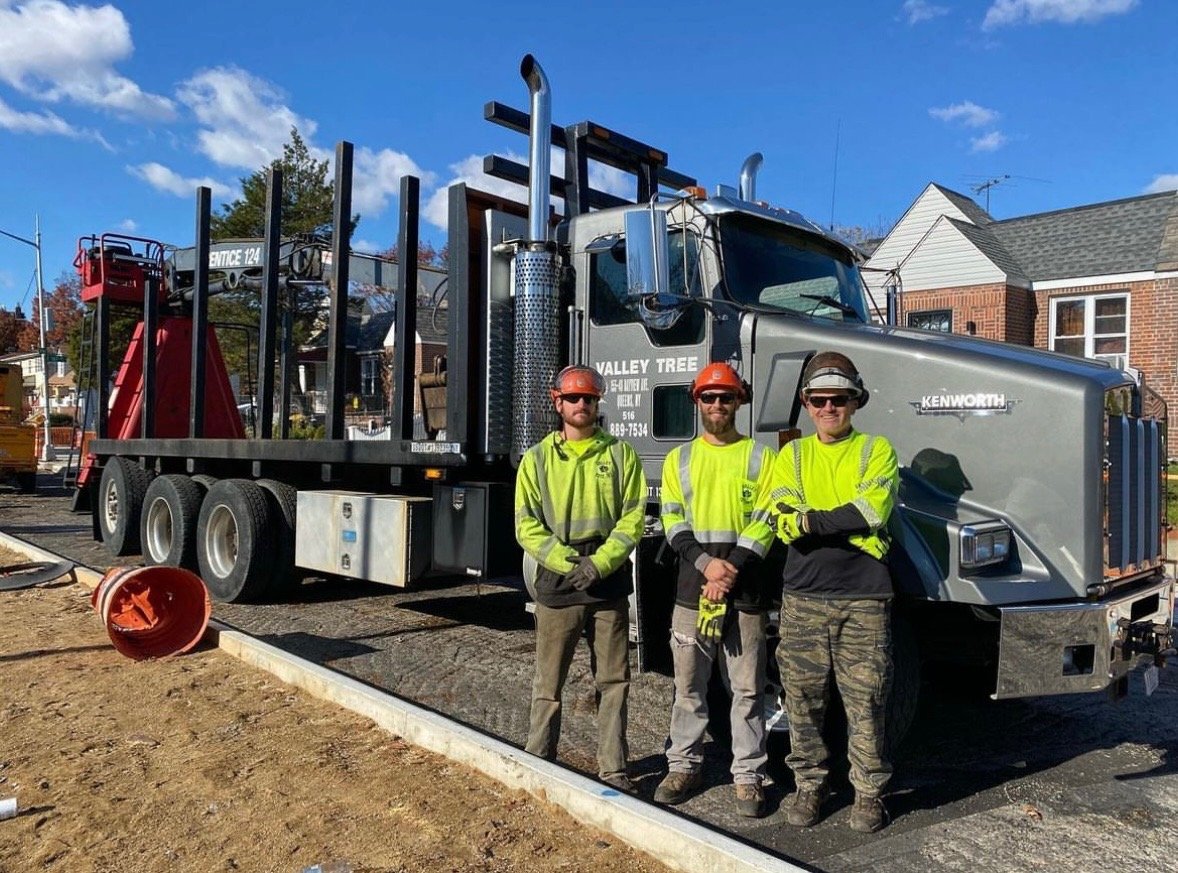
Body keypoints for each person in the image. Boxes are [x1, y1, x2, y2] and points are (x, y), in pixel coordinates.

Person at [746, 351, 899, 833]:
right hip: (805, 598)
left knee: (867, 701)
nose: (829, 408)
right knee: (804, 700)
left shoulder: (876, 449)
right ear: (806, 403)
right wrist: (829, 522)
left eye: (839, 399)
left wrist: (812, 520)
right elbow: (783, 521)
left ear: (856, 402)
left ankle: (869, 794)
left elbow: (872, 511)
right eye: (819, 400)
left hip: (864, 599)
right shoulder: (791, 455)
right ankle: (810, 787)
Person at [514, 365, 647, 793]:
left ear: (597, 404)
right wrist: (567, 562)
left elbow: (633, 518)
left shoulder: (620, 455)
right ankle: (539, 758)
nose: (581, 405)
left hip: (606, 582)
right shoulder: (536, 460)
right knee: (548, 681)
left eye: (589, 398)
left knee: (613, 681)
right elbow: (526, 525)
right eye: (573, 398)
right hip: (559, 581)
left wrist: (601, 562)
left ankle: (613, 768)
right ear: (558, 403)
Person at [653, 362, 777, 817]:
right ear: (697, 402)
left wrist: (729, 571)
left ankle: (748, 776)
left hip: (743, 595)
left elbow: (767, 521)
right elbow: (673, 521)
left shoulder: (763, 458)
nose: (718, 405)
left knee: (746, 690)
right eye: (709, 397)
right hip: (695, 592)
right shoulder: (679, 460)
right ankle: (683, 765)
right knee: (689, 686)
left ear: (739, 401)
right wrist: (709, 568)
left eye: (726, 397)